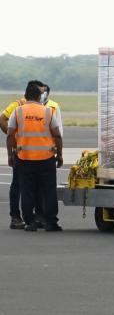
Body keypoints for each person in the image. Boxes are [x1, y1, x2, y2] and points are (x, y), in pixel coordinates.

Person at [1, 81, 60, 230]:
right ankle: (47, 221)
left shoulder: (21, 111)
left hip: (24, 156)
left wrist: (11, 152)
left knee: (28, 189)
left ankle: (32, 220)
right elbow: (57, 135)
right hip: (44, 157)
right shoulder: (43, 110)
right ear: (38, 94)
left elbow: (10, 135)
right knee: (46, 189)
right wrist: (59, 154)